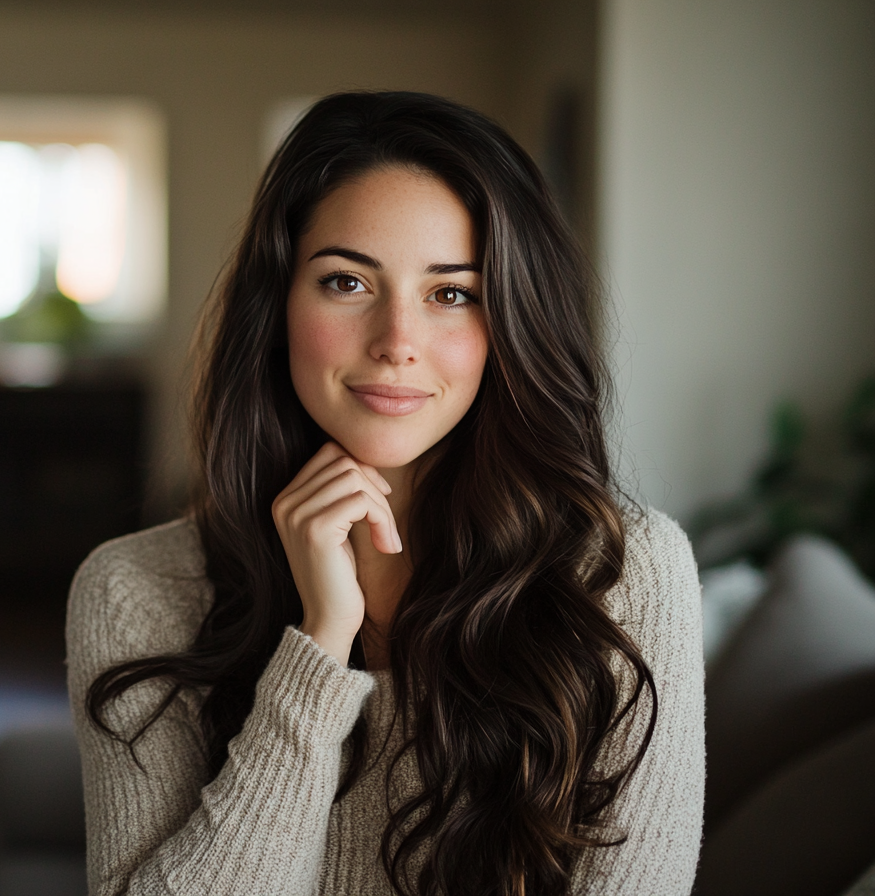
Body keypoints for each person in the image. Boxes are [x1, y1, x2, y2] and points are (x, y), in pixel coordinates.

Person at [66, 91, 704, 896]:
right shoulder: (133, 591)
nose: (397, 342)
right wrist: (321, 643)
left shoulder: (624, 575)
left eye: (451, 293)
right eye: (346, 282)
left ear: (512, 319)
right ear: (278, 307)